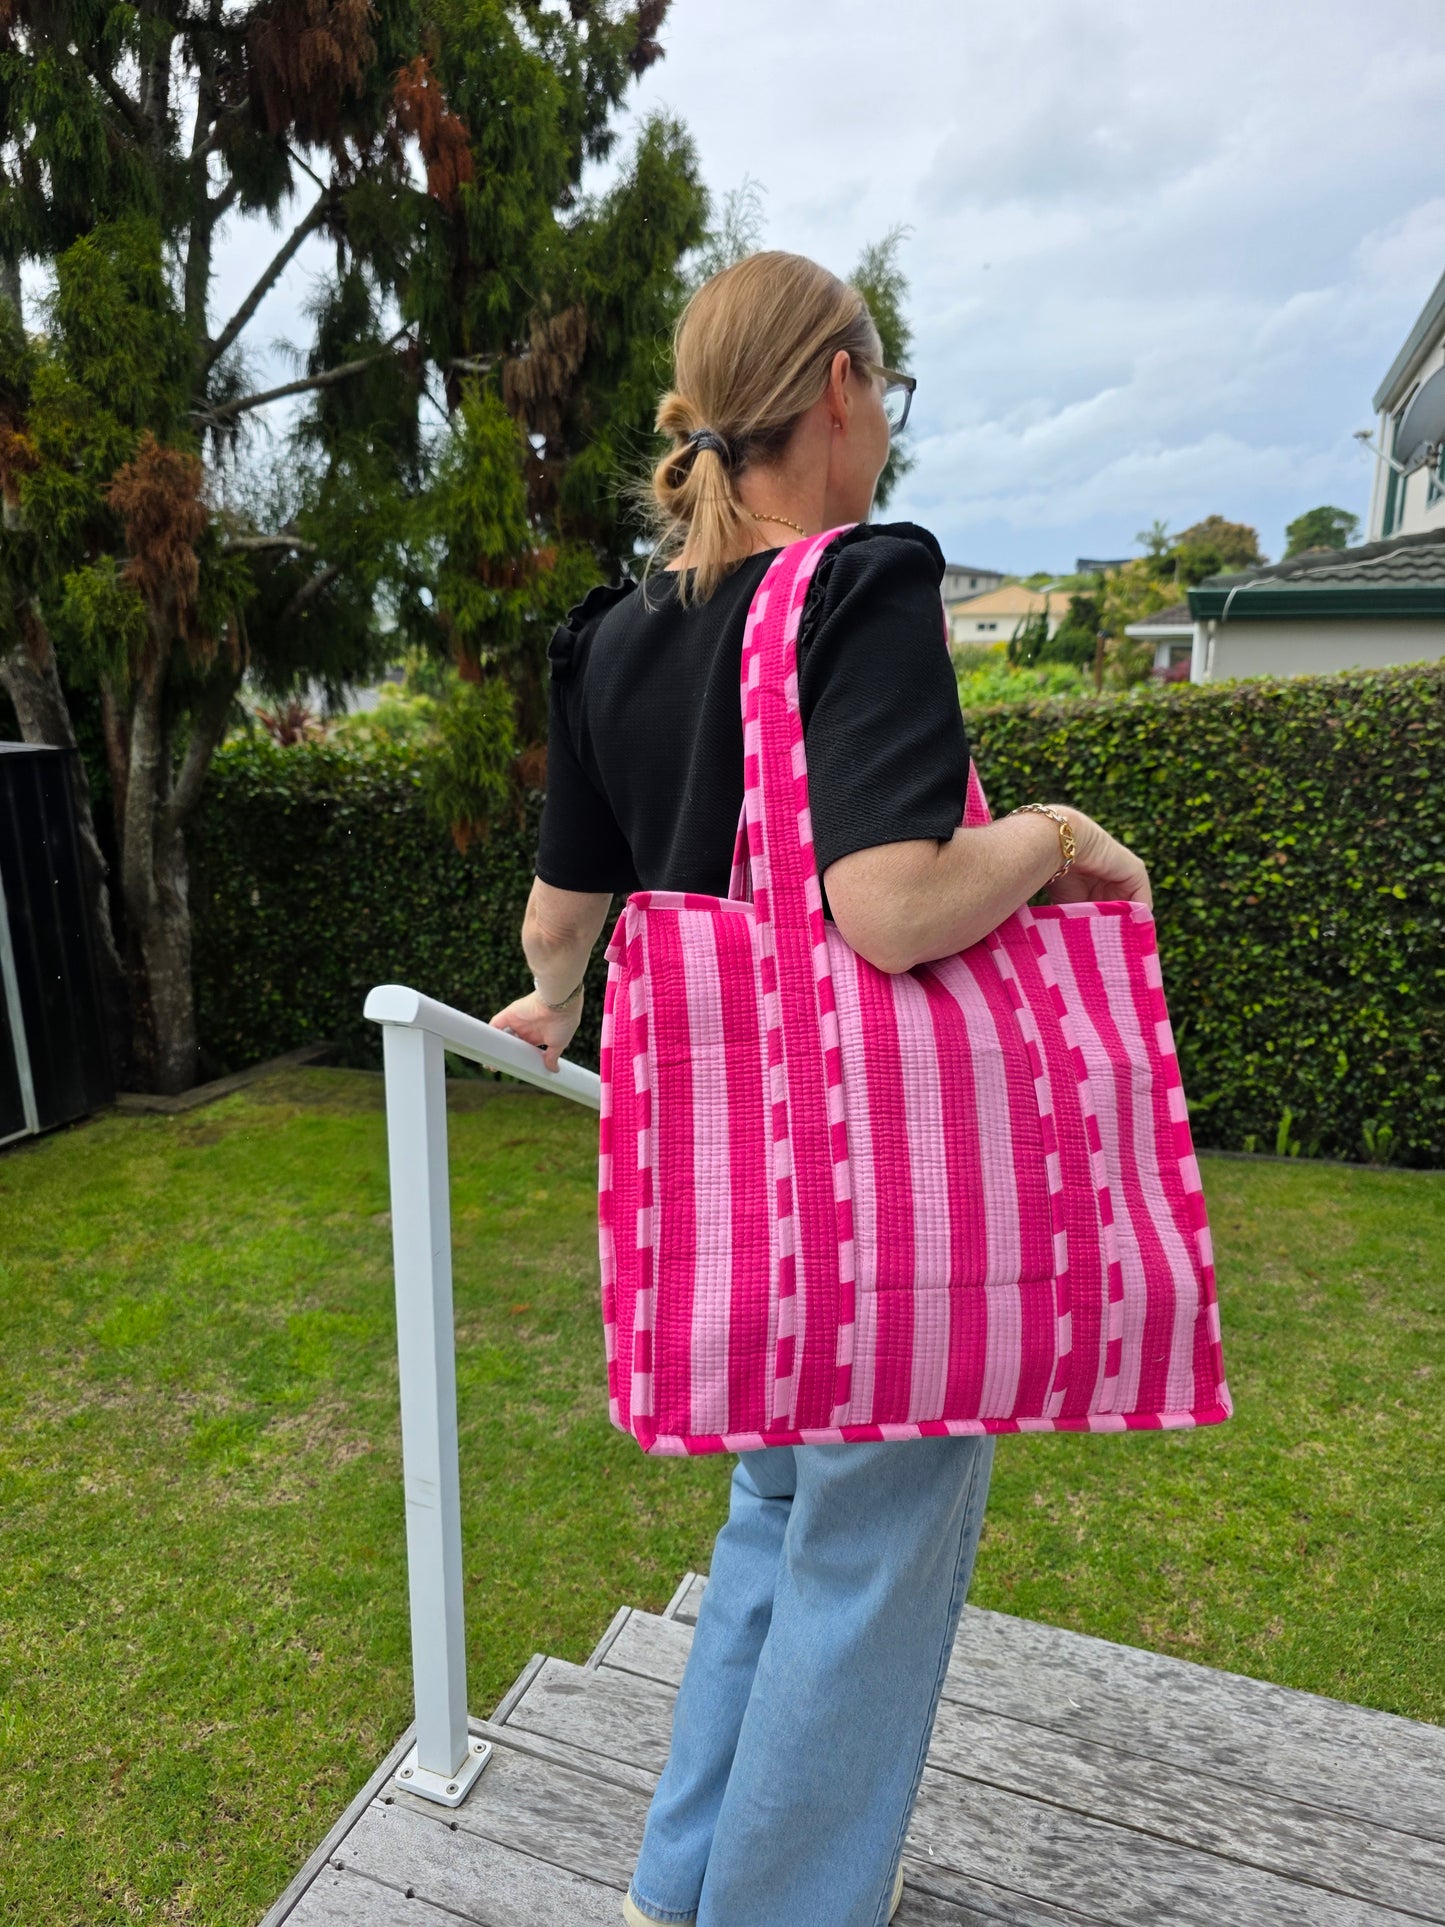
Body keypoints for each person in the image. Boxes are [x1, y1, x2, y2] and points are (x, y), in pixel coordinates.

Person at [489, 251, 1151, 1927]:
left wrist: (553, 1002)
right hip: (878, 1190)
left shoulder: (612, 638)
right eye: (886, 396)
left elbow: (563, 916)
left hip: (726, 1185)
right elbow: (891, 901)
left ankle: (676, 1888)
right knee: (864, 1567)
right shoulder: (863, 584)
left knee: (775, 1534)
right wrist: (1053, 837)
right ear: (841, 390)